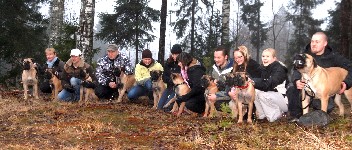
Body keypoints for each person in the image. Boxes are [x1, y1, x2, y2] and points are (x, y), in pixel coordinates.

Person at [287, 31, 352, 121]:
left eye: (317, 42)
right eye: (312, 41)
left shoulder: (334, 56)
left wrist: (347, 82)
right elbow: (296, 70)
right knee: (291, 88)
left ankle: (325, 117)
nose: (313, 44)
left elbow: (350, 67)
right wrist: (296, 80)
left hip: (324, 91)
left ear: (325, 43)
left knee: (327, 106)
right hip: (308, 88)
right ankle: (296, 116)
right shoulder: (305, 55)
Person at [251, 48, 289, 122]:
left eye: (268, 56)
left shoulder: (279, 69)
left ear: (274, 58)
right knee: (255, 92)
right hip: (273, 96)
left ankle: (276, 117)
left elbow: (269, 85)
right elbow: (261, 82)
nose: (265, 58)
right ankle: (262, 117)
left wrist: (254, 82)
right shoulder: (264, 68)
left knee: (263, 95)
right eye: (263, 56)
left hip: (283, 100)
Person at [228, 46, 261, 119]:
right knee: (232, 107)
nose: (237, 60)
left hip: (251, 93)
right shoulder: (235, 67)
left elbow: (260, 79)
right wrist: (229, 92)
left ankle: (252, 111)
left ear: (245, 55)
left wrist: (251, 80)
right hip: (239, 95)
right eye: (235, 58)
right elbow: (229, 82)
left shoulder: (253, 65)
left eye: (240, 57)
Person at [207, 46, 233, 110]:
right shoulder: (214, 69)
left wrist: (216, 96)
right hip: (216, 93)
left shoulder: (232, 69)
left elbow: (230, 91)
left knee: (217, 104)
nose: (216, 60)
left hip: (229, 96)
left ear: (226, 57)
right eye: (215, 57)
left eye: (219, 57)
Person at [157, 44, 182, 110]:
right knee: (159, 107)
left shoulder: (182, 63)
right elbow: (164, 76)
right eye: (173, 54)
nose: (174, 56)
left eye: (176, 54)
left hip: (178, 89)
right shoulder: (168, 63)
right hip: (169, 87)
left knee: (167, 108)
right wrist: (170, 80)